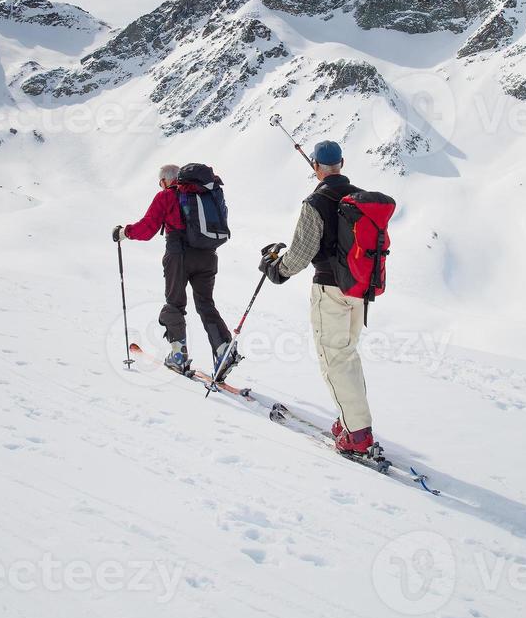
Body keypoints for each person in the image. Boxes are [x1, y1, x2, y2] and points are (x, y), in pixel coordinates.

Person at [258, 141, 377, 456]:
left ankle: (358, 435)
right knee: (347, 355)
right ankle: (351, 420)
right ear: (342, 163)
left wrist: (276, 270)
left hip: (330, 290)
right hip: (359, 291)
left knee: (335, 359)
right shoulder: (360, 197)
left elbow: (300, 253)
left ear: (315, 167)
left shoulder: (316, 201)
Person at [114, 164, 239, 379]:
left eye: (160, 182)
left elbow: (147, 228)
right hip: (208, 256)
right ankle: (223, 351)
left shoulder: (166, 196)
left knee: (174, 304)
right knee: (206, 304)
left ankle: (178, 357)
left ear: (166, 180)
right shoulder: (208, 193)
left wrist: (124, 233)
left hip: (178, 256)